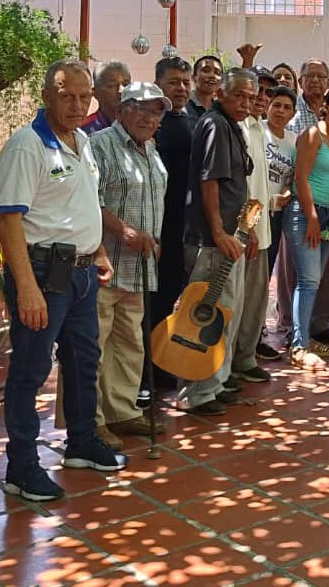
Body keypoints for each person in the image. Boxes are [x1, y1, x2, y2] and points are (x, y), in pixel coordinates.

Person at [0, 58, 126, 501]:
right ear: (47, 96)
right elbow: (10, 221)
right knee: (31, 371)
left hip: (83, 273)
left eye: (83, 96)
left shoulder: (82, 142)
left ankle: (81, 443)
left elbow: (84, 202)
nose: (76, 104)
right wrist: (27, 288)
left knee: (83, 363)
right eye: (66, 95)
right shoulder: (26, 145)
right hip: (41, 275)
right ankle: (22, 468)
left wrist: (101, 250)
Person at [88, 82, 170, 447]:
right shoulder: (101, 145)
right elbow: (90, 199)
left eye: (156, 112)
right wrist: (123, 231)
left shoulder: (150, 149)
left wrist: (154, 238)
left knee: (129, 343)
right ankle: (90, 421)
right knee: (94, 345)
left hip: (140, 266)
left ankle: (122, 412)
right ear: (122, 108)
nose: (149, 118)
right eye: (142, 108)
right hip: (106, 263)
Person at [181, 68, 258, 415]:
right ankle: (197, 392)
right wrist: (218, 232)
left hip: (232, 237)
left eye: (251, 97)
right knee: (206, 315)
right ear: (222, 93)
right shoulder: (214, 124)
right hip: (214, 242)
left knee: (229, 313)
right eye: (239, 94)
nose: (245, 102)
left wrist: (247, 229)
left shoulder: (232, 126)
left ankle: (217, 380)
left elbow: (235, 187)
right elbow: (209, 183)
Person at [287, 85, 329, 369]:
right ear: (326, 106)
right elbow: (300, 178)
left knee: (318, 280)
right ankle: (298, 346)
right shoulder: (313, 134)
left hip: (328, 216)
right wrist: (311, 216)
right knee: (308, 281)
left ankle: (307, 335)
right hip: (305, 214)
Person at [144, 56, 195, 404]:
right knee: (152, 302)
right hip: (155, 228)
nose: (181, 87)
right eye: (174, 81)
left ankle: (162, 364)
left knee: (172, 298)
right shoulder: (152, 125)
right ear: (159, 83)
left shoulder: (193, 120)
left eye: (185, 81)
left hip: (184, 227)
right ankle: (144, 372)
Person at [229, 67, 278, 381]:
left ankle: (245, 359)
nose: (261, 98)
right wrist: (248, 229)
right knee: (234, 301)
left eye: (267, 93)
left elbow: (260, 184)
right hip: (243, 231)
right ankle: (226, 364)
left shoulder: (261, 128)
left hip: (261, 228)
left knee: (255, 301)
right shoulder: (240, 128)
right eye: (255, 92)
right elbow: (242, 187)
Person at [264, 86, 298, 340]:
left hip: (277, 215)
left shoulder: (294, 140)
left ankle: (257, 328)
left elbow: (297, 174)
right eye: (277, 105)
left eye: (287, 107)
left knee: (265, 273)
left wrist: (288, 191)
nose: (281, 111)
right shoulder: (256, 132)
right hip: (252, 213)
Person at [82, 61, 131, 134]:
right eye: (112, 85)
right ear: (95, 92)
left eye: (126, 85)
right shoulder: (84, 130)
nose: (121, 90)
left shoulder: (139, 126)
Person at [289, 59, 329, 133]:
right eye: (310, 75)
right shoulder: (289, 108)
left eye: (320, 76)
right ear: (300, 82)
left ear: (328, 83)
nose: (315, 80)